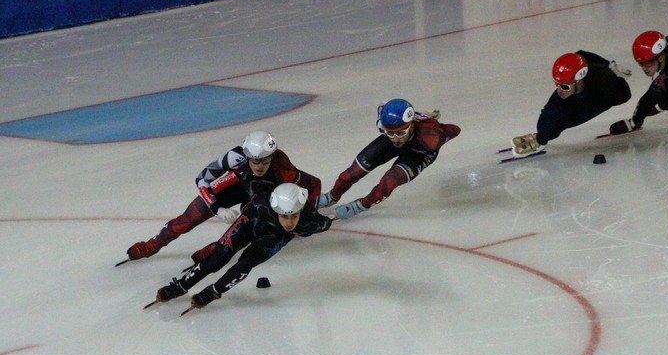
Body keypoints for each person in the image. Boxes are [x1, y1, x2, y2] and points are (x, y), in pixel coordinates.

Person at [125, 131, 322, 262]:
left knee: (255, 219)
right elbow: (202, 179)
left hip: (262, 192)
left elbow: (314, 183)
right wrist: (216, 208)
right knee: (191, 216)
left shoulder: (283, 167)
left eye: (265, 161)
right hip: (235, 185)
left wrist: (306, 215)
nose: (260, 166)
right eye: (255, 161)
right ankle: (155, 243)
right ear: (246, 156)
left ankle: (218, 247)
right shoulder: (234, 156)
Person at [151, 182, 333, 312]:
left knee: (245, 263)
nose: (290, 222)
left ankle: (214, 291)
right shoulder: (262, 202)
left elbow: (326, 222)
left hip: (273, 237)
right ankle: (182, 285)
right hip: (250, 223)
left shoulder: (311, 221)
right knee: (220, 254)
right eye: (284, 216)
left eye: (294, 216)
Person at [316, 98, 461, 219]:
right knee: (349, 174)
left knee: (389, 181)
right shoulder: (384, 122)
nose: (395, 139)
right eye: (389, 133)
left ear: (411, 125)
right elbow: (389, 119)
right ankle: (331, 197)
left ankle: (361, 205)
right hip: (400, 141)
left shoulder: (431, 137)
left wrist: (429, 120)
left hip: (419, 154)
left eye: (400, 133)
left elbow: (455, 129)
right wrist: (394, 133)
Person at [510, 51, 632, 157]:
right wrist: (610, 63)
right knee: (552, 109)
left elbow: (624, 95)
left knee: (564, 120)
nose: (559, 89)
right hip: (582, 89)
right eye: (556, 84)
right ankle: (542, 136)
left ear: (579, 82)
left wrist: (542, 139)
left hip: (606, 96)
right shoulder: (576, 66)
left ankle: (541, 139)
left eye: (563, 86)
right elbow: (583, 53)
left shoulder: (604, 86)